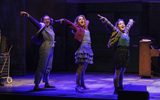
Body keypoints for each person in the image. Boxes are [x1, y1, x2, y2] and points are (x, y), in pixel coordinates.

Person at [20, 11, 58, 91]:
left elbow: (54, 22)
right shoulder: (41, 26)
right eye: (45, 19)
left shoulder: (51, 27)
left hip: (51, 47)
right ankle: (36, 84)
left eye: (48, 19)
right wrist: (28, 15)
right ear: (42, 21)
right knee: (42, 65)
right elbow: (34, 22)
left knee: (48, 66)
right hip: (45, 47)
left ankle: (46, 83)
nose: (47, 20)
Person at [98, 14, 134, 94]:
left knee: (122, 72)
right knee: (117, 72)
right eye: (120, 24)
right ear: (117, 26)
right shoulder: (117, 32)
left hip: (126, 53)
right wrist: (105, 20)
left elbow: (129, 25)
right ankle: (116, 89)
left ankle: (120, 86)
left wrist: (131, 21)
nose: (122, 25)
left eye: (123, 23)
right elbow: (111, 25)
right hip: (119, 53)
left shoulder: (126, 32)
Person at [60, 15, 93, 92]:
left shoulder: (86, 28)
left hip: (88, 48)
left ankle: (82, 84)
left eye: (82, 19)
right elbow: (71, 24)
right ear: (77, 22)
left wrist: (84, 22)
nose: (81, 20)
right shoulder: (78, 28)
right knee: (80, 68)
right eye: (79, 19)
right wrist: (64, 20)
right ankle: (77, 85)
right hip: (82, 48)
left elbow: (87, 21)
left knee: (84, 69)